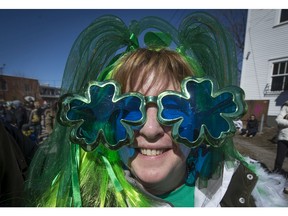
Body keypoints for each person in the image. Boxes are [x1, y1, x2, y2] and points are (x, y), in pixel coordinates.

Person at [24, 12, 288, 207]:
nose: (150, 130)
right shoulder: (80, 200)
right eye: (128, 108)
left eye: (174, 108)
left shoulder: (244, 194)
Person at [273, 101, 288, 176]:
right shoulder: (286, 107)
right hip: (283, 138)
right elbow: (278, 120)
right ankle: (275, 176)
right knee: (279, 159)